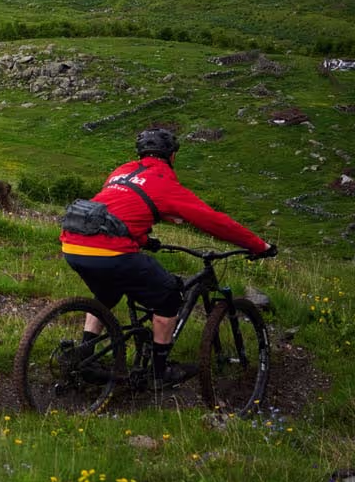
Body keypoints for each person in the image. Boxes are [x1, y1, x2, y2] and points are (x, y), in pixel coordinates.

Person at [60, 126, 277, 386]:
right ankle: (159, 374)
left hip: (73, 245)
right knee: (168, 297)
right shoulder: (165, 183)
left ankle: (85, 357)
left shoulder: (121, 172)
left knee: (106, 295)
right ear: (172, 156)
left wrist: (143, 240)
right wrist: (258, 245)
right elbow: (215, 221)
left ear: (140, 153)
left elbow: (116, 213)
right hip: (111, 251)